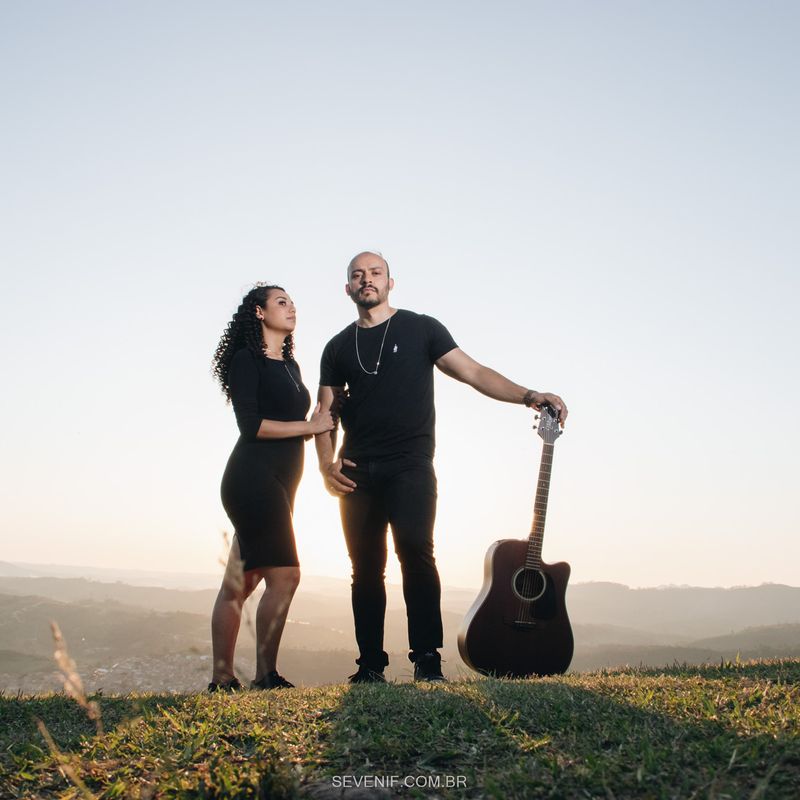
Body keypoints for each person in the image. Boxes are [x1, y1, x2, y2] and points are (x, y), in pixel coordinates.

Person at [315, 251, 568, 683]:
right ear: (348, 289)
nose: (366, 280)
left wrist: (528, 395)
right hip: (358, 469)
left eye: (375, 273)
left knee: (415, 551)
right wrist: (326, 464)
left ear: (391, 283)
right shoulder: (337, 347)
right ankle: (370, 665)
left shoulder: (421, 328)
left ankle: (427, 658)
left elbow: (472, 371)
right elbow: (324, 411)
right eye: (358, 275)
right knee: (365, 567)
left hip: (410, 464)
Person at [209, 284, 334, 691]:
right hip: (251, 479)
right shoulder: (248, 360)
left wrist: (325, 419)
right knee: (286, 576)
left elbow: (296, 426)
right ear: (260, 313)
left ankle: (222, 680)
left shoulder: (291, 367)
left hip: (283, 482)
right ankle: (265, 676)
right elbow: (254, 426)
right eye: (282, 302)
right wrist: (311, 426)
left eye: (293, 301)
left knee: (239, 584)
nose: (291, 307)